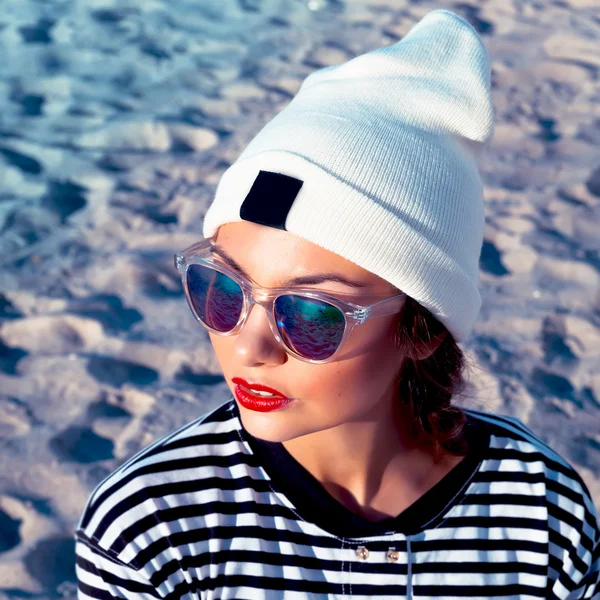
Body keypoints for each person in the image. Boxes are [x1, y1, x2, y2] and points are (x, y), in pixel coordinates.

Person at [74, 9, 600, 599]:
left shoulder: (543, 516)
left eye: (310, 314)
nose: (249, 346)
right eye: (222, 290)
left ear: (423, 327)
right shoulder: (153, 529)